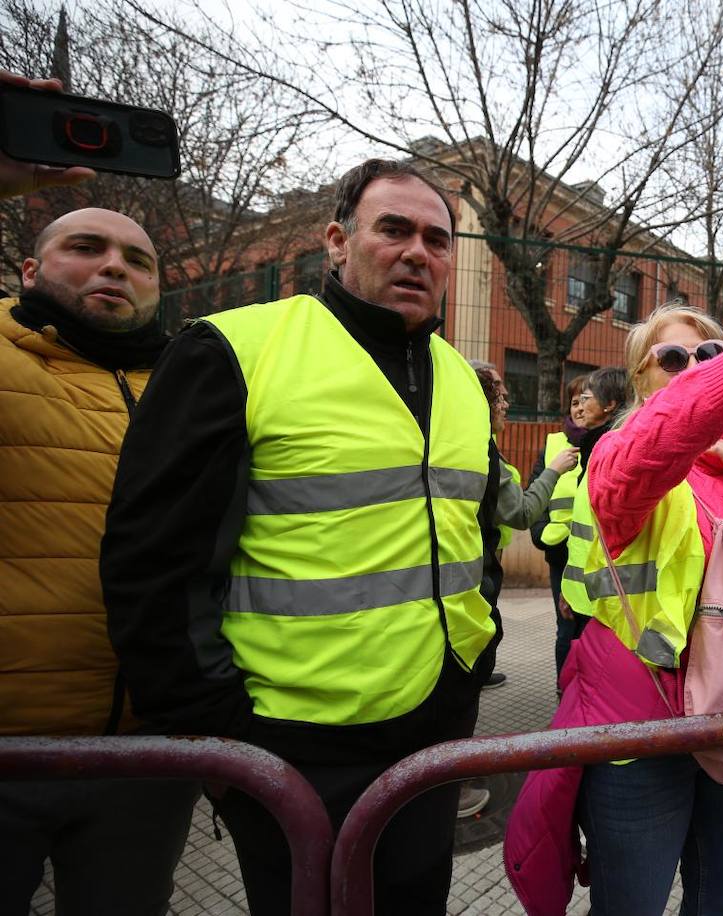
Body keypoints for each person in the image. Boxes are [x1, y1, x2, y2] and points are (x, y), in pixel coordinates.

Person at [101, 158, 501, 915]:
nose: (418, 251)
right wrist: (217, 735)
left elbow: (470, 532)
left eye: (437, 239)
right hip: (290, 741)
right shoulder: (232, 350)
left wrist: (471, 666)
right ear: (337, 242)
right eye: (394, 229)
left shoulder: (459, 378)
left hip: (435, 728)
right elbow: (150, 563)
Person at [505, 234, 723, 916]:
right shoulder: (620, 457)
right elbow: (663, 437)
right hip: (642, 736)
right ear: (640, 380)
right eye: (670, 358)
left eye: (709, 356)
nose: (692, 367)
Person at [0, 75, 199, 909]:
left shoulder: (195, 389)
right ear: (29, 266)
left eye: (138, 260)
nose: (114, 266)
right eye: (86, 248)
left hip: (145, 756)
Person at [471, 360, 579, 700]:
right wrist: (554, 472)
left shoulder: (468, 442)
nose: (506, 404)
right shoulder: (482, 450)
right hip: (484, 564)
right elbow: (521, 511)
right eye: (498, 397)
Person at [530, 373, 591, 681]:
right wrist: (540, 534)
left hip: (596, 554)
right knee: (566, 626)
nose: (579, 407)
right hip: (561, 553)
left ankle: (589, 692)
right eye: (574, 401)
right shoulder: (553, 442)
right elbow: (535, 491)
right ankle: (565, 689)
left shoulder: (608, 441)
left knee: (592, 628)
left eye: (586, 399)